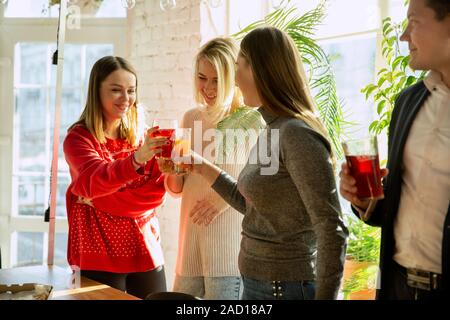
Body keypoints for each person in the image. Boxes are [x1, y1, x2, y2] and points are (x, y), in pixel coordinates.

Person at [176, 27, 348, 300]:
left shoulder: (295, 133)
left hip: (285, 288)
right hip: (260, 284)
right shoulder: (272, 128)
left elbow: (331, 228)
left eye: (240, 66)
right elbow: (250, 204)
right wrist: (200, 165)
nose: (236, 79)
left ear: (264, 72)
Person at [339, 0, 449, 300]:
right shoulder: (408, 102)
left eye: (414, 21)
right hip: (396, 285)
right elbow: (398, 202)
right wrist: (364, 200)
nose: (403, 36)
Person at [162, 38, 264, 299]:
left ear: (233, 77)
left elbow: (265, 187)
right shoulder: (190, 118)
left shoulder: (254, 121)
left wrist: (223, 200)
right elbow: (176, 189)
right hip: (189, 252)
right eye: (202, 77)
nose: (207, 87)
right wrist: (170, 167)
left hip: (228, 253)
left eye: (217, 79)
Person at [63, 56, 169, 299]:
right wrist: (135, 161)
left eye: (131, 91)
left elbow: (155, 193)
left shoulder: (142, 137)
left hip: (145, 249)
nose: (126, 99)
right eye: (115, 90)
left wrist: (99, 200)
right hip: (97, 254)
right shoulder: (78, 139)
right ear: (96, 91)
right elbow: (94, 179)